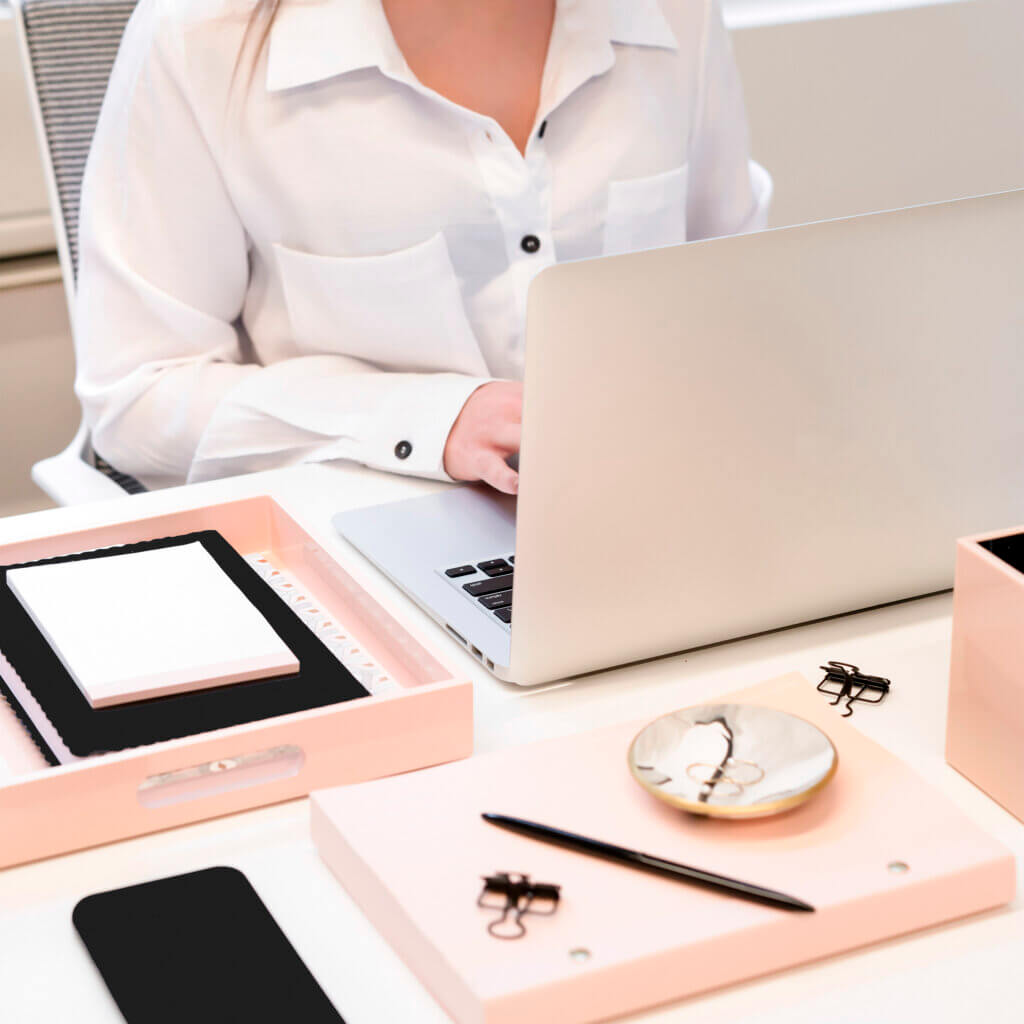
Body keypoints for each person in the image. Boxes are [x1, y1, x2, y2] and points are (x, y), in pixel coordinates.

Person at [74, 0, 770, 495]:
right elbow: (138, 399)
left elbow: (740, 303)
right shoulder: (200, 39)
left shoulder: (678, 13)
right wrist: (431, 422)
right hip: (354, 537)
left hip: (654, 507)